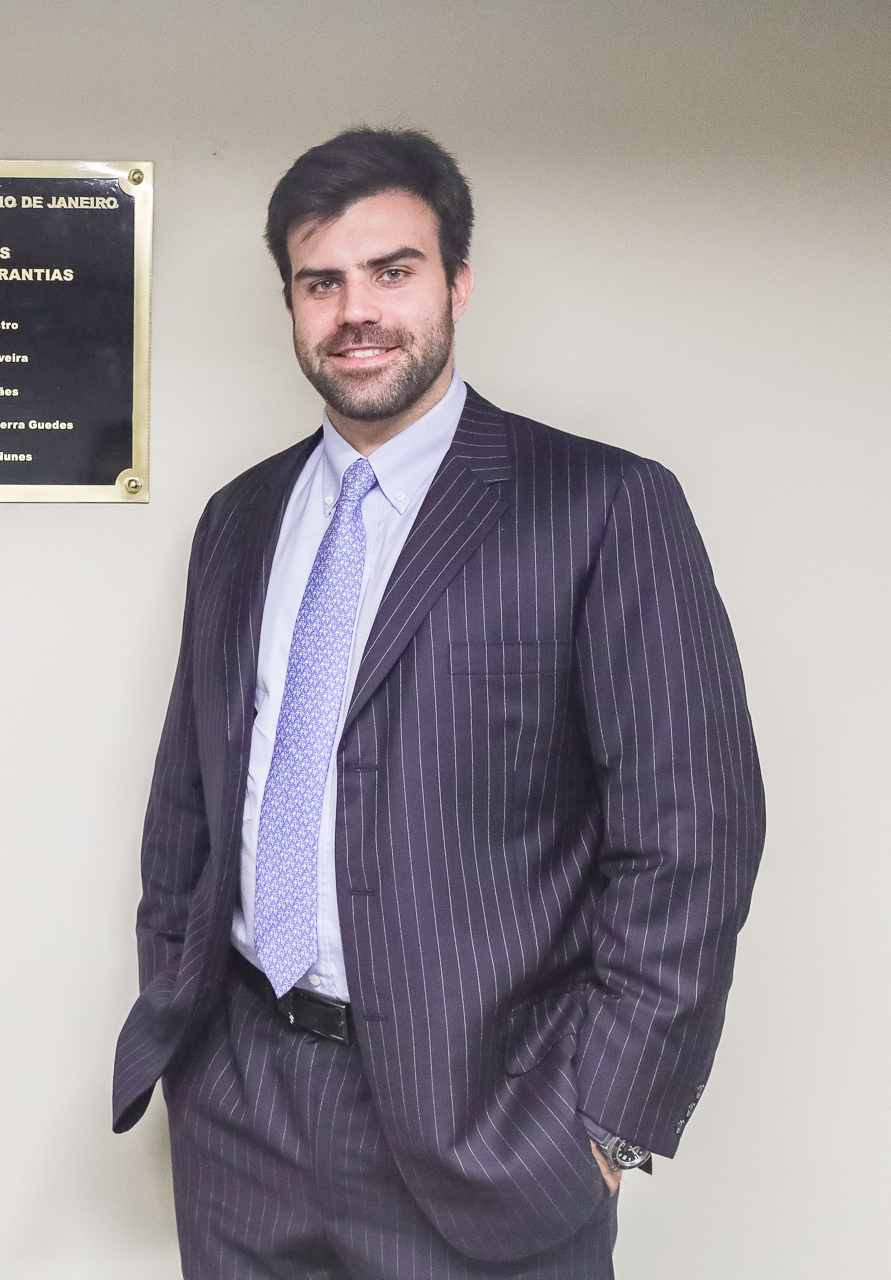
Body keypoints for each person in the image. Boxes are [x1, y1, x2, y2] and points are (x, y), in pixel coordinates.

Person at [111, 129, 763, 1278]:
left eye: (393, 271)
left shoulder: (602, 506)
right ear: (292, 305)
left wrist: (603, 1118)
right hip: (245, 1104)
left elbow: (693, 836)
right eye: (323, 282)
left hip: (491, 1120)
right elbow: (193, 794)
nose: (356, 310)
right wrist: (183, 1013)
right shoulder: (241, 518)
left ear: (456, 283)